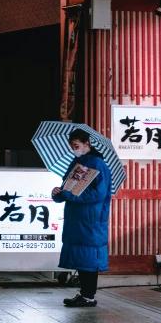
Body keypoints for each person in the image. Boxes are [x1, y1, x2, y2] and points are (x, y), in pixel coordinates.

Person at [52, 129, 112, 307]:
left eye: (76, 146)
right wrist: (57, 193)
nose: (74, 149)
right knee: (81, 256)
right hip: (77, 216)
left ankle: (88, 296)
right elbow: (67, 187)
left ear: (87, 144)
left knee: (89, 258)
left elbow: (98, 194)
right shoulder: (77, 162)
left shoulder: (98, 164)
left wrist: (69, 195)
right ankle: (85, 294)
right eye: (71, 146)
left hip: (90, 219)